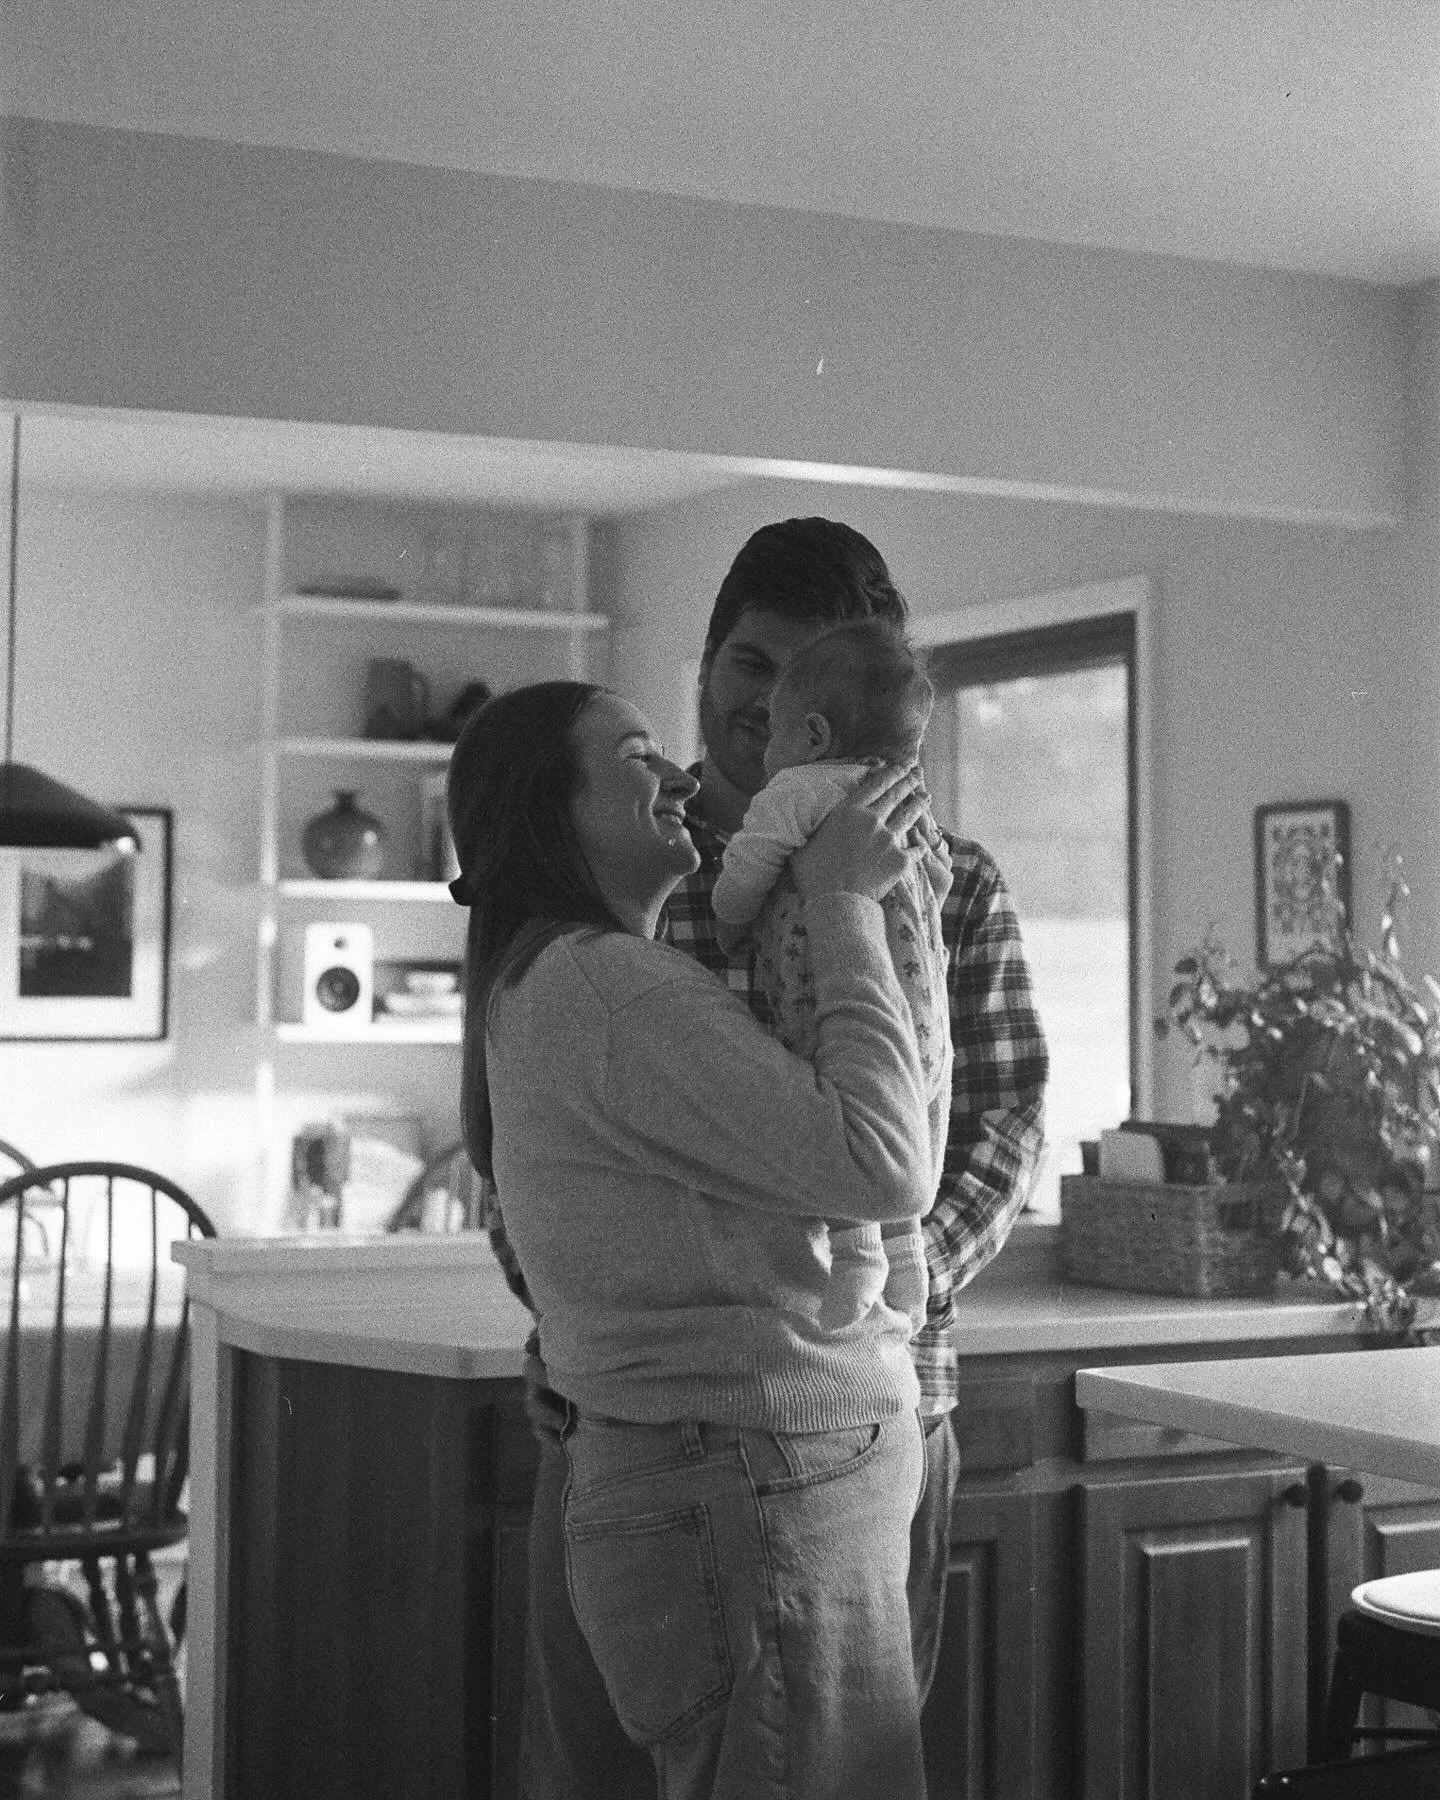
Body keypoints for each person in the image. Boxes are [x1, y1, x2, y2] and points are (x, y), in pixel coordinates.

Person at [491, 516, 1049, 1798]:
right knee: (594, 1777)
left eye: (818, 672)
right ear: (706, 665)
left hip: (867, 1414)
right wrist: (577, 1319)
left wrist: (859, 1302)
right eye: (755, 662)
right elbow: (532, 1151)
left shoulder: (949, 881)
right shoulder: (632, 871)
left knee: (834, 1765)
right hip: (623, 1410)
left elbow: (1002, 1128)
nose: (779, 701)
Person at [449, 678, 939, 1800]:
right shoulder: (613, 989)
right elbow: (882, 1163)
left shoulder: (556, 983)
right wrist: (846, 901)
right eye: (636, 757)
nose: (679, 775)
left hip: (724, 1484)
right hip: (752, 1489)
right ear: (553, 811)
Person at [711, 617, 952, 1336]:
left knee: (851, 1119)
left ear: (813, 736)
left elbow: (748, 865)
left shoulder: (800, 789)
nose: (769, 752)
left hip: (832, 997)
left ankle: (858, 1261)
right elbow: (937, 877)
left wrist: (729, 917)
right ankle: (907, 1259)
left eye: (777, 732)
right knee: (906, 1124)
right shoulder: (904, 800)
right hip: (920, 1009)